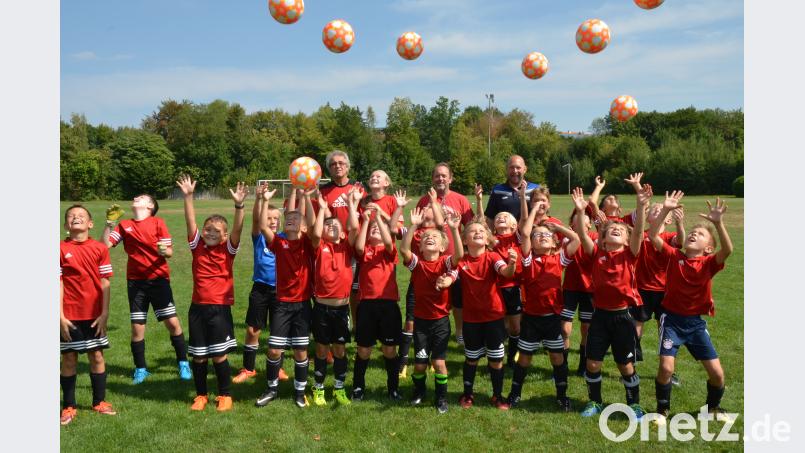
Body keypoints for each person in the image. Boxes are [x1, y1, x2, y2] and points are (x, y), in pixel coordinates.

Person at [648, 193, 734, 423]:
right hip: (672, 321)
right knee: (666, 369)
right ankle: (661, 411)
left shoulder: (709, 264)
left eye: (701, 234)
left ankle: (712, 408)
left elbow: (728, 250)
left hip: (695, 324)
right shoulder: (674, 256)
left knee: (717, 374)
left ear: (708, 248)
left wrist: (718, 223)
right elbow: (652, 235)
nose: (694, 234)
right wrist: (665, 210)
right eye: (693, 232)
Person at [570, 183, 651, 419]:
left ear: (626, 240)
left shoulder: (630, 254)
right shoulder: (597, 254)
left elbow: (638, 231)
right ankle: (595, 402)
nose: (616, 229)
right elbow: (582, 235)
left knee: (625, 365)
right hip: (600, 317)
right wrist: (581, 211)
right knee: (593, 364)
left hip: (623, 317)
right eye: (611, 229)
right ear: (603, 240)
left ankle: (634, 404)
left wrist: (641, 205)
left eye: (620, 230)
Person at [176, 175, 247, 412]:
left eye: (217, 230)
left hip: (219, 309)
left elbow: (238, 228)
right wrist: (188, 196)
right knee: (199, 356)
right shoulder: (197, 247)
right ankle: (201, 395)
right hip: (197, 308)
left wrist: (239, 206)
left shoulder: (228, 250)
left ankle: (225, 395)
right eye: (207, 229)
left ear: (225, 236)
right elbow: (190, 221)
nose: (211, 232)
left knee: (218, 355)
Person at [102, 195, 190, 384]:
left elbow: (169, 251)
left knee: (172, 323)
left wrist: (164, 251)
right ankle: (140, 369)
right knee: (137, 328)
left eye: (141, 197)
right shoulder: (124, 225)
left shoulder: (158, 222)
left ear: (150, 206)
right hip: (136, 283)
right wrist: (109, 224)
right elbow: (104, 246)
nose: (135, 197)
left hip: (158, 280)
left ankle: (183, 363)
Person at [507, 200, 580, 411]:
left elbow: (575, 239)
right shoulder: (528, 260)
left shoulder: (559, 260)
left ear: (555, 243)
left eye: (547, 235)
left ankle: (562, 396)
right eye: (538, 235)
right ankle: (514, 394)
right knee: (525, 358)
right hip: (531, 318)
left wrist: (557, 227)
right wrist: (533, 212)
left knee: (557, 357)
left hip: (552, 319)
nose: (542, 237)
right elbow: (525, 232)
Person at [399, 203, 463, 413]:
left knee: (438, 363)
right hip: (421, 323)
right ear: (420, 247)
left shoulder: (445, 262)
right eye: (426, 237)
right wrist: (412, 226)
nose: (429, 237)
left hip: (441, 322)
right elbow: (404, 249)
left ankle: (441, 398)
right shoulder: (417, 264)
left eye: (434, 237)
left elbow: (459, 255)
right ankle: (419, 392)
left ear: (442, 247)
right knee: (419, 364)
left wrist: (454, 229)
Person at [255, 188, 316, 409]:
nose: (291, 219)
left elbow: (313, 225)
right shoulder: (279, 243)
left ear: (304, 226)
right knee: (274, 350)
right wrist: (264, 201)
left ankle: (299, 392)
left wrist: (306, 198)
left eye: (296, 218)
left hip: (302, 305)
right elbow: (263, 226)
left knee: (300, 351)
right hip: (282, 304)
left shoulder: (308, 243)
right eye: (288, 217)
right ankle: (271, 389)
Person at [60, 205, 116, 425]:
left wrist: (104, 313)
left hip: (94, 314)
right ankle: (69, 406)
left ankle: (99, 402)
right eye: (71, 216)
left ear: (90, 224)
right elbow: (58, 283)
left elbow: (105, 282)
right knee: (69, 358)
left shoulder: (100, 248)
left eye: (81, 215)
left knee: (97, 356)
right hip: (69, 314)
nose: (76, 217)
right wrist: (60, 316)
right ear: (66, 225)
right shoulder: (59, 249)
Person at [455, 220, 518, 410]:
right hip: (471, 319)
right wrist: (445, 280)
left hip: (494, 317)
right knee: (471, 358)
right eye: (472, 231)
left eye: (481, 230)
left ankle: (497, 396)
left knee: (496, 360)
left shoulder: (492, 256)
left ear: (487, 238)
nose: (478, 232)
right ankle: (467, 394)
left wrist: (512, 263)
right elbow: (451, 276)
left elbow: (506, 272)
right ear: (464, 240)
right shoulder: (461, 261)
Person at [305, 189, 360, 406]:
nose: (331, 227)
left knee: (339, 349)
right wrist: (322, 210)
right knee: (321, 349)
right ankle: (318, 388)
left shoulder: (347, 247)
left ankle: (339, 388)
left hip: (341, 309)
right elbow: (316, 233)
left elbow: (354, 227)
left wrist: (351, 204)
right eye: (328, 225)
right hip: (321, 308)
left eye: (336, 225)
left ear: (343, 232)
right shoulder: (319, 246)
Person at [232, 184, 289, 384]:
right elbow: (257, 220)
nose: (272, 222)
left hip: (281, 291)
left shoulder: (284, 239)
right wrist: (261, 199)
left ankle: (278, 367)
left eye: (275, 219)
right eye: (269, 218)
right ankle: (249, 369)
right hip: (260, 289)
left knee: (278, 333)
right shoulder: (259, 238)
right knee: (252, 330)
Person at [416, 163, 474, 345]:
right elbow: (417, 228)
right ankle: (433, 332)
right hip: (431, 261)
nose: (440, 179)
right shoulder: (423, 201)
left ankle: (459, 330)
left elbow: (470, 226)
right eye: (437, 176)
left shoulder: (460, 199)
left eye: (444, 175)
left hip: (454, 258)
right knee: (432, 298)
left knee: (458, 299)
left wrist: (466, 249)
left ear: (451, 178)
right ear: (432, 178)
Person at [351, 200, 402, 401]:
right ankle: (358, 387)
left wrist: (378, 218)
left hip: (388, 305)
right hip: (366, 305)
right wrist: (366, 221)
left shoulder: (389, 251)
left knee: (389, 350)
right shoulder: (365, 251)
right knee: (364, 350)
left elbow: (388, 242)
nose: (376, 230)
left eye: (379, 230)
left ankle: (393, 388)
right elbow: (358, 246)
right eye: (373, 230)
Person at [394, 189, 444, 378]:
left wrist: (434, 201)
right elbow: (395, 230)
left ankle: (432, 358)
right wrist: (401, 210)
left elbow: (441, 223)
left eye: (430, 209)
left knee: (435, 322)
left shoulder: (438, 233)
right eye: (424, 208)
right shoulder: (414, 231)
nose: (426, 210)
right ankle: (403, 362)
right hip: (417, 283)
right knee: (410, 323)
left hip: (438, 284)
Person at [318, 150, 365, 329]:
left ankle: (356, 325)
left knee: (354, 289)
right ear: (329, 169)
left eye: (341, 163)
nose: (337, 166)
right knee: (334, 286)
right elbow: (323, 219)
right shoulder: (324, 191)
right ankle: (339, 320)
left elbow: (366, 215)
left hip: (355, 245)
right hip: (334, 249)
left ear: (348, 166)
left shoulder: (358, 189)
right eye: (333, 164)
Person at [560, 209, 597, 376]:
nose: (581, 224)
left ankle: (583, 366)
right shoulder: (566, 240)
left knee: (587, 329)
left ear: (589, 225)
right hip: (570, 289)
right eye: (577, 221)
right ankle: (563, 366)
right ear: (571, 225)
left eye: (584, 221)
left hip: (589, 290)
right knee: (564, 329)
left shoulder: (595, 239)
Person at [483, 154, 540, 225]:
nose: (515, 171)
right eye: (511, 167)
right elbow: (490, 218)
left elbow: (542, 215)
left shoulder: (535, 188)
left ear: (525, 169)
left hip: (530, 231)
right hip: (505, 231)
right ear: (507, 169)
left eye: (518, 167)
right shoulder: (497, 190)